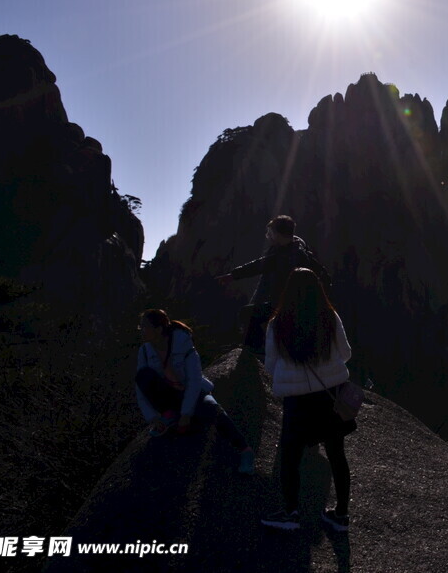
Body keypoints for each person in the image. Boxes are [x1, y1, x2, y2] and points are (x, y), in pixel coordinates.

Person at [260, 268, 356, 532]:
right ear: (318, 289)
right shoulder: (329, 317)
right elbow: (346, 353)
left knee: (290, 457)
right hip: (330, 395)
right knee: (337, 454)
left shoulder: (277, 323)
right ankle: (341, 515)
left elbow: (270, 364)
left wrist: (292, 374)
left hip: (297, 400)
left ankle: (290, 513)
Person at [135, 309, 255, 474]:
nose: (141, 330)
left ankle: (245, 450)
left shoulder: (182, 343)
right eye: (140, 326)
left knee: (212, 409)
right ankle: (169, 414)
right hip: (169, 395)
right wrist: (153, 418)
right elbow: (140, 388)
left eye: (144, 327)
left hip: (191, 391)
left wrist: (186, 414)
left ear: (159, 329)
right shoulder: (144, 351)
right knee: (143, 376)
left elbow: (194, 380)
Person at [216, 215, 330, 355]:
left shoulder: (289, 256)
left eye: (270, 233)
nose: (268, 236)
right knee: (251, 314)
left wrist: (232, 275)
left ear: (277, 234)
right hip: (288, 303)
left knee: (248, 314)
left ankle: (254, 353)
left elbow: (259, 265)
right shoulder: (293, 249)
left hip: (288, 306)